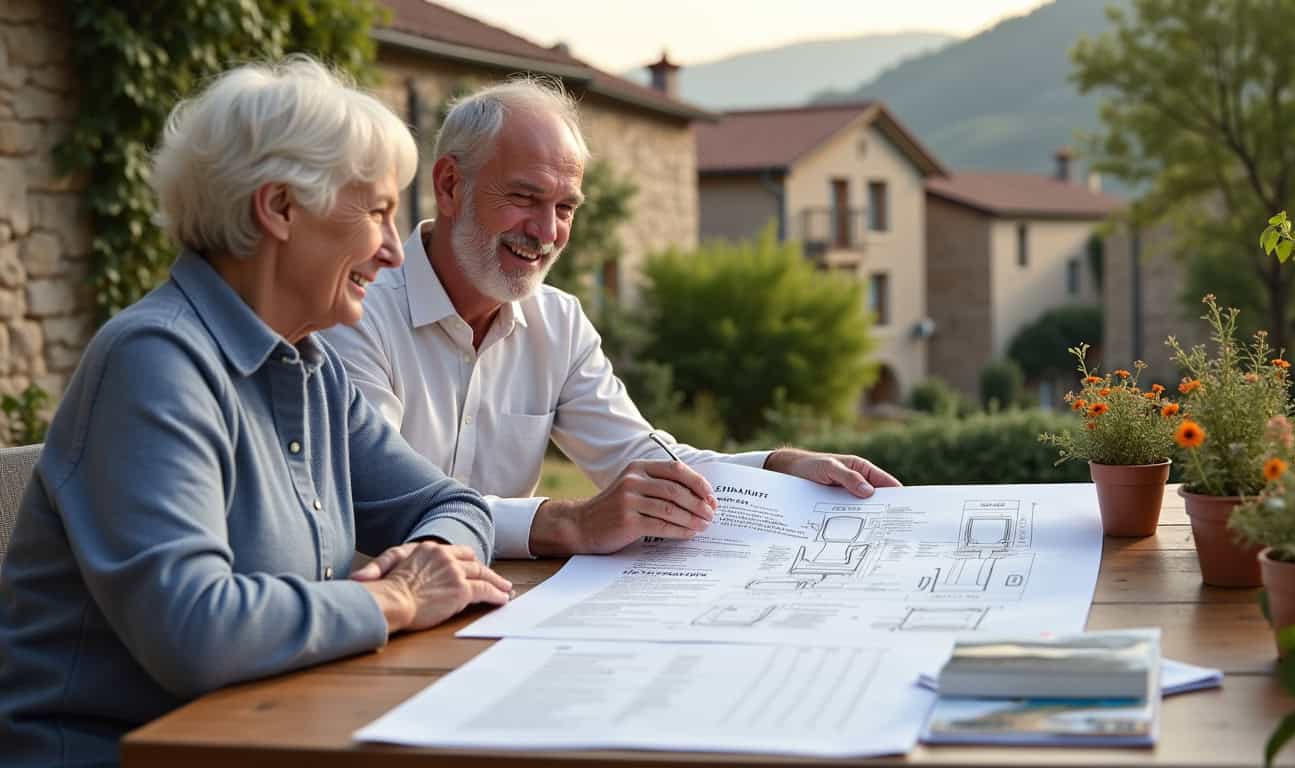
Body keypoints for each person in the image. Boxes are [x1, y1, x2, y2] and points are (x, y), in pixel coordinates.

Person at [0, 58, 513, 767]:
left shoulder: (310, 366)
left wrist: (431, 560)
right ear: (279, 209)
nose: (395, 252)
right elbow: (194, 631)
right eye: (376, 212)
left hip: (274, 730)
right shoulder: (154, 362)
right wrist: (394, 599)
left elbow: (454, 504)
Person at [321, 78, 900, 560]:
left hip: (494, 613)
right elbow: (386, 500)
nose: (546, 232)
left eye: (565, 207)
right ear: (450, 186)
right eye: (524, 198)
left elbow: (646, 461)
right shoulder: (354, 311)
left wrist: (779, 470)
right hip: (378, 626)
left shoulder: (559, 321)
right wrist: (569, 522)